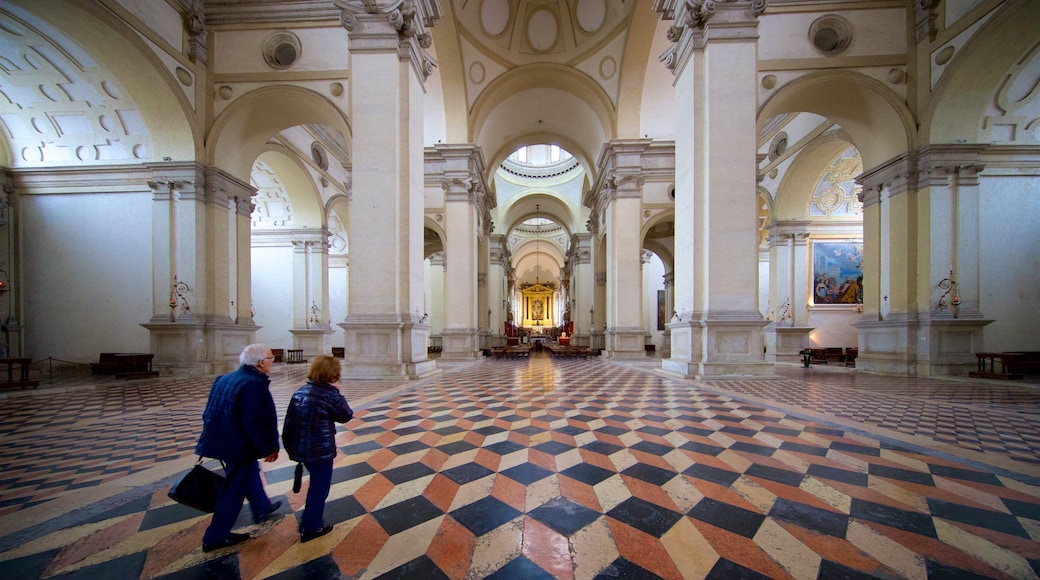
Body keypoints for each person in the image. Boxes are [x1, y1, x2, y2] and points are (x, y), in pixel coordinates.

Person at [195, 343, 282, 552]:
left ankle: (262, 507)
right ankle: (215, 535)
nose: (272, 362)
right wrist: (269, 447)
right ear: (261, 363)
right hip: (237, 444)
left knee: (249, 472)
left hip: (222, 439)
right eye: (271, 358)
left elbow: (209, 412)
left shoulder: (225, 378)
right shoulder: (254, 384)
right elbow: (254, 421)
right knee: (234, 489)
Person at [282, 354, 354, 543]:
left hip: (302, 448)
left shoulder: (300, 392)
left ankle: (309, 521)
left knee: (316, 484)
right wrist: (338, 394)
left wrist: (291, 449)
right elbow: (346, 415)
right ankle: (311, 526)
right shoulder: (329, 394)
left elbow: (289, 424)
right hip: (320, 449)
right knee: (319, 487)